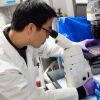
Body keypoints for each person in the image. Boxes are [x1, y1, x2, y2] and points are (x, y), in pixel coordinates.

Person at [0, 0, 94, 100]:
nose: (48, 35)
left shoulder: (20, 36)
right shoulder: (4, 68)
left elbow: (48, 47)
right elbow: (35, 98)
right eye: (48, 30)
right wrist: (83, 90)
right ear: (31, 28)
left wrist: (76, 46)